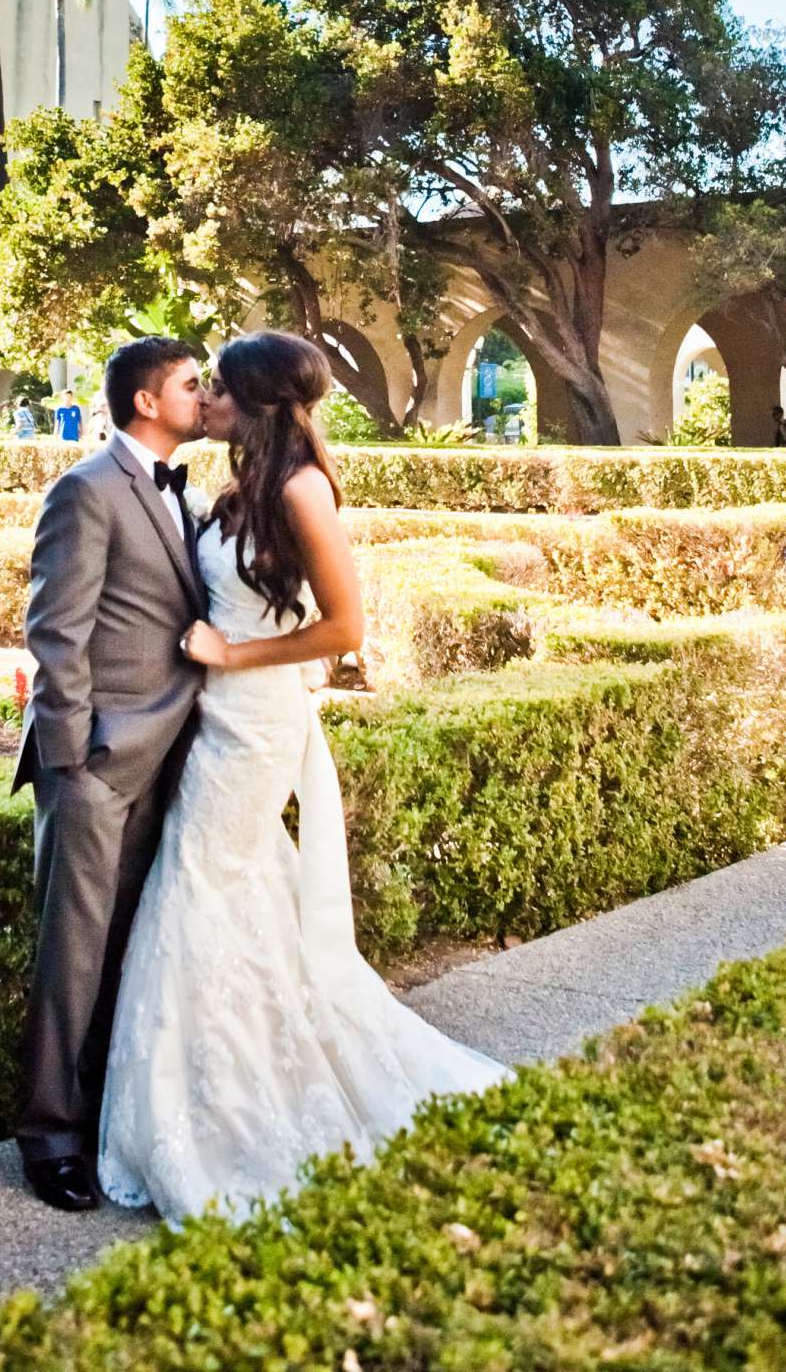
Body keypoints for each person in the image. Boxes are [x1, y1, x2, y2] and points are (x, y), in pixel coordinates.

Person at [97, 330, 506, 1226]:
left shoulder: (300, 488)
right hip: (217, 716)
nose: (200, 401)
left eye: (214, 391)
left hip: (254, 725)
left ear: (251, 403)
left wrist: (234, 652)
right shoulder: (238, 487)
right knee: (235, 891)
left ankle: (213, 1109)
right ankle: (251, 1062)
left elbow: (346, 628)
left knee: (198, 884)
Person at [13, 337, 209, 1212]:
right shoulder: (86, 490)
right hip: (98, 764)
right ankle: (48, 1136)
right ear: (144, 402)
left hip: (170, 754)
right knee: (73, 959)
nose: (205, 399)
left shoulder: (186, 496)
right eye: (191, 386)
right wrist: (73, 761)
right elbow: (56, 631)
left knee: (134, 947)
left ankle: (104, 1118)